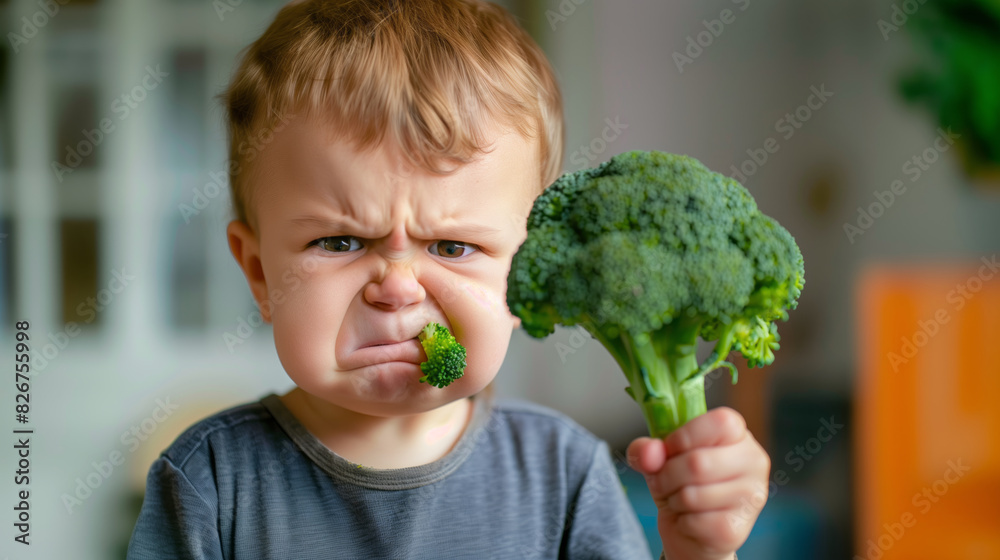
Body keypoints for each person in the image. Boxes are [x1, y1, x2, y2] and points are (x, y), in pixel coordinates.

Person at [126, 1, 769, 558]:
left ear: (525, 273)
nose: (398, 288)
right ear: (260, 273)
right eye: (340, 242)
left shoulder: (566, 474)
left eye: (453, 247)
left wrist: (701, 552)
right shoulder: (208, 481)